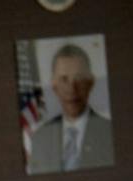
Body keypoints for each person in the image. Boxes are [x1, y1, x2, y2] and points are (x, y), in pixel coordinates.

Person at [28, 43, 114, 173]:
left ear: (91, 82)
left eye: (79, 78)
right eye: (64, 79)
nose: (72, 88)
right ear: (54, 85)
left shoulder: (110, 133)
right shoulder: (40, 138)